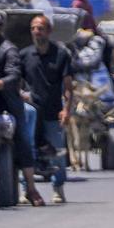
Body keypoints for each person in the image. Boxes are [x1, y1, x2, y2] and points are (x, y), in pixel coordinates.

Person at [0, 9, 44, 206]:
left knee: (22, 137)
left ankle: (30, 187)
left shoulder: (9, 49)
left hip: (6, 101)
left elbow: (14, 77)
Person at [20, 15, 73, 203]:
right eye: (33, 28)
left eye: (40, 28)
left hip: (53, 112)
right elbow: (17, 82)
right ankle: (25, 188)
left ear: (48, 31)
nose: (36, 32)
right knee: (27, 150)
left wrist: (66, 109)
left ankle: (58, 188)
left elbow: (67, 86)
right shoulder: (25, 55)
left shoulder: (61, 54)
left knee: (57, 151)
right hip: (31, 113)